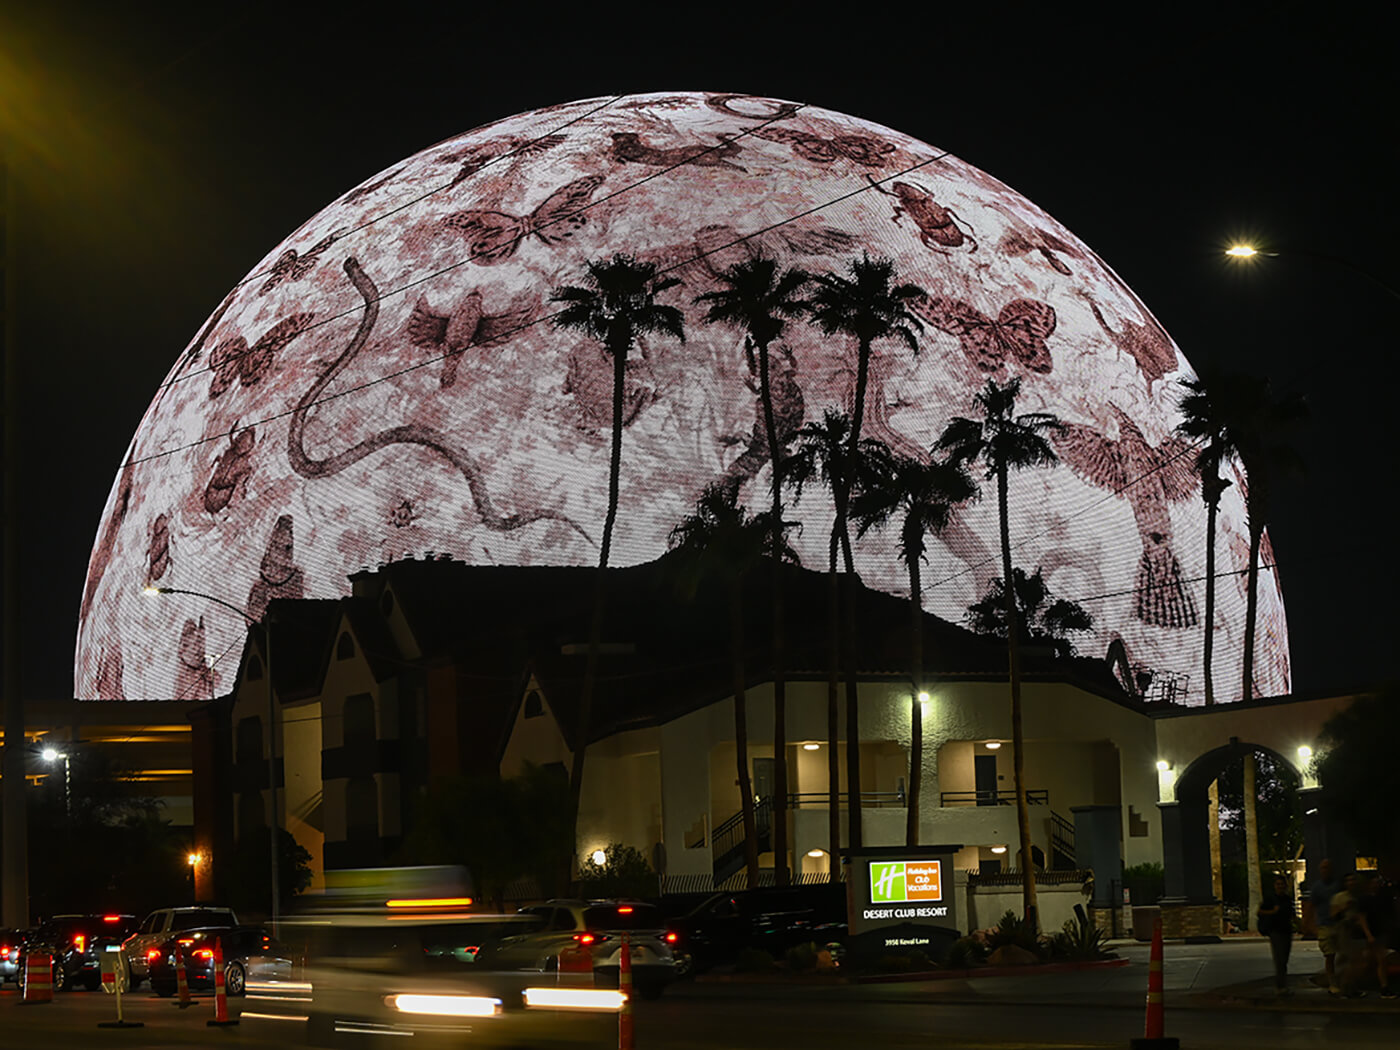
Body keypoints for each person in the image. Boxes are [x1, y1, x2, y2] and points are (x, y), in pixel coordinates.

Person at [1330, 871, 1368, 998]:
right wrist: (1344, 908)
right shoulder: (1340, 897)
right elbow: (1333, 915)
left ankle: (1353, 988)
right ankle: (1344, 988)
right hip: (1344, 930)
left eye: (1353, 880)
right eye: (1349, 880)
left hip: (1356, 931)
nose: (1351, 883)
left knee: (1357, 961)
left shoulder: (1358, 896)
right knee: (1348, 960)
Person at [1257, 874, 1296, 995]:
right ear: (1275, 886)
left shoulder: (1287, 899)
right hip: (1275, 931)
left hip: (1286, 931)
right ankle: (1280, 987)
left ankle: (1282, 985)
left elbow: (1292, 914)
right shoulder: (1270, 899)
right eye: (1278, 884)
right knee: (1279, 959)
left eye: (1282, 884)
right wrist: (1272, 912)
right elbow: (1259, 912)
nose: (1280, 887)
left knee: (1284, 958)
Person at [1359, 873, 1396, 999]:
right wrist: (1368, 934)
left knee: (1377, 960)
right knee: (1377, 960)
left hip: (1380, 932)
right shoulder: (1365, 899)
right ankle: (1382, 987)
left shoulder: (1383, 898)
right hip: (1372, 933)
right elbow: (1362, 918)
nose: (1376, 885)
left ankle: (1382, 986)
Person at [1309, 859, 1341, 995]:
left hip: (1338, 924)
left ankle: (1345, 980)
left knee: (1344, 954)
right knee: (1330, 955)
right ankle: (1332, 983)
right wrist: (1311, 926)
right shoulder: (1317, 888)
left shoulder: (1337, 885)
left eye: (1327, 868)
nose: (1325, 871)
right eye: (1323, 868)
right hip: (1324, 925)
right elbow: (1311, 906)